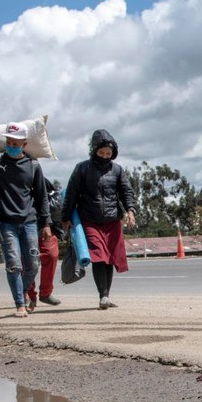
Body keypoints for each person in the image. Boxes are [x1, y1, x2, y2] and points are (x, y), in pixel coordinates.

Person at [0, 121, 50, 317]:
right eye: (9, 142)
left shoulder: (33, 165)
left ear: (24, 144)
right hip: (5, 221)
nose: (11, 145)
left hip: (29, 221)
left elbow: (41, 196)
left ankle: (24, 291)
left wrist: (46, 224)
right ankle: (19, 303)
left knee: (33, 264)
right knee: (13, 264)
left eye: (15, 143)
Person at [64, 129, 136, 309]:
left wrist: (130, 210)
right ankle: (102, 296)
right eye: (101, 152)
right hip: (90, 220)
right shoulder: (82, 168)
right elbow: (71, 194)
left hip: (112, 221)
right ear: (94, 150)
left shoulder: (117, 170)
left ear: (113, 153)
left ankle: (106, 296)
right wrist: (66, 217)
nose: (105, 156)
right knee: (99, 257)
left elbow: (126, 191)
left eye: (108, 154)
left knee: (109, 258)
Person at [26, 179, 64, 310]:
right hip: (23, 224)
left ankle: (46, 293)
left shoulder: (40, 177)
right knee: (27, 262)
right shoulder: (9, 176)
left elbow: (54, 201)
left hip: (45, 225)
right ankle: (29, 295)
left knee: (51, 255)